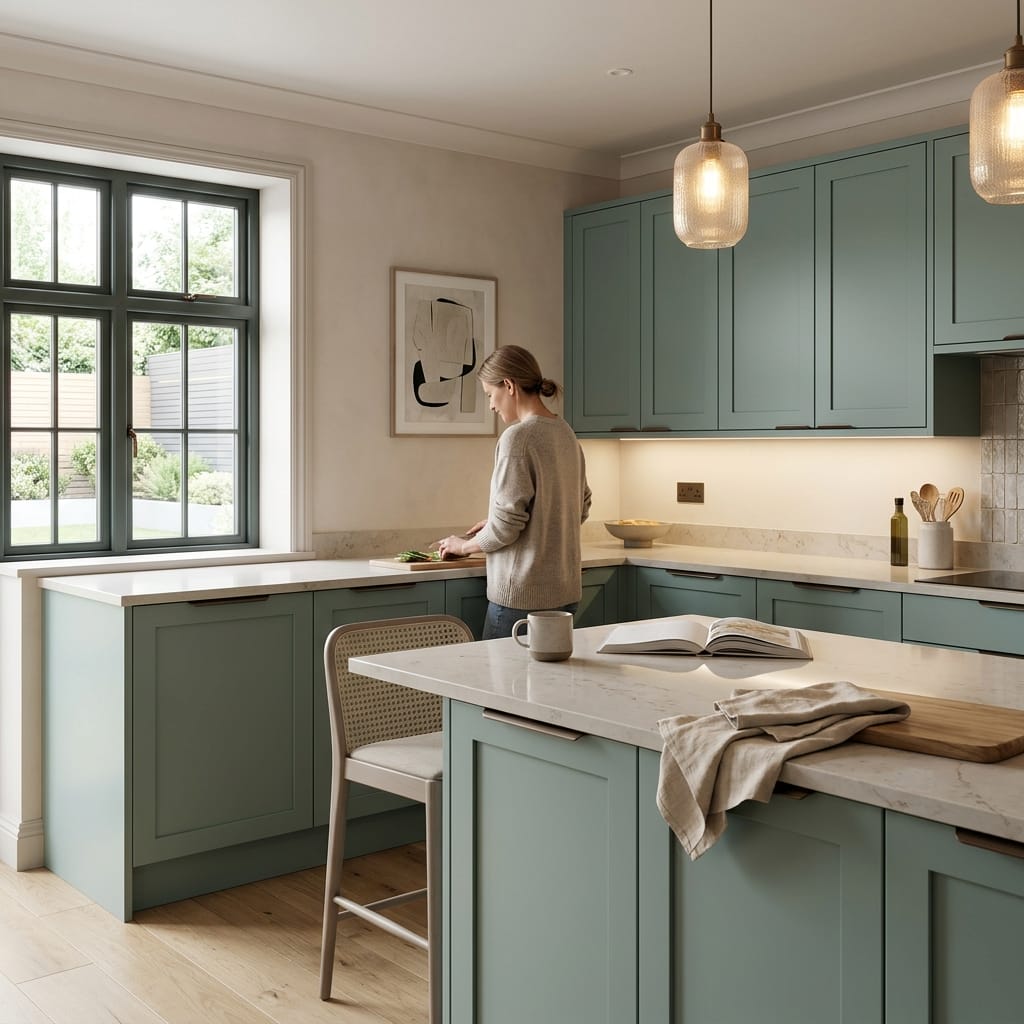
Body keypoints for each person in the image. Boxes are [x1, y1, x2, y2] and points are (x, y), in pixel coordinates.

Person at [434, 345, 592, 640]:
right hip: (567, 593)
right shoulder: (566, 433)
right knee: (552, 686)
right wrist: (496, 521)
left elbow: (507, 528)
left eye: (490, 395)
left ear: (509, 386)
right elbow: (579, 507)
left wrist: (463, 545)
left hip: (521, 599)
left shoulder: (517, 439)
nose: (491, 406)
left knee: (500, 685)